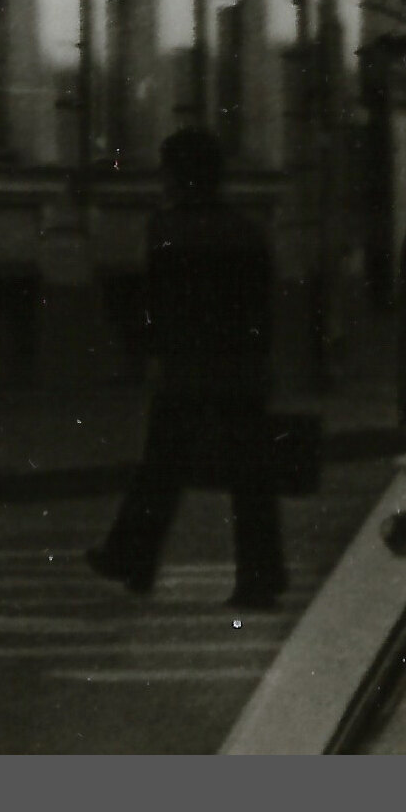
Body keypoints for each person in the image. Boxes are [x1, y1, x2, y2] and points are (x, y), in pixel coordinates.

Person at [88, 127, 288, 610]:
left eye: (168, 171)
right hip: (240, 369)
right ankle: (261, 577)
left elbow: (158, 303)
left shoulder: (168, 229)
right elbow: (262, 306)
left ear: (180, 176)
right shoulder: (246, 230)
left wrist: (147, 346)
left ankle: (132, 557)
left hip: (187, 369)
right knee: (250, 478)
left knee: (162, 466)